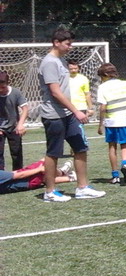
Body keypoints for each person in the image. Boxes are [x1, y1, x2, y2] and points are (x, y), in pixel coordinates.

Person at [37, 28, 105, 201]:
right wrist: (77, 111)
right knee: (54, 152)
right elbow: (55, 92)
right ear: (56, 42)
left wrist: (73, 111)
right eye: (68, 44)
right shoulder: (49, 62)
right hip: (54, 115)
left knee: (80, 147)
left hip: (68, 114)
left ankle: (82, 188)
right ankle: (50, 192)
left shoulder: (61, 60)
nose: (70, 47)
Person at [96, 63, 126, 186]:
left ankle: (115, 175)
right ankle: (125, 163)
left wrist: (100, 124)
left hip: (111, 120)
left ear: (105, 75)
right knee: (125, 145)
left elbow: (103, 107)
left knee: (112, 147)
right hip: (125, 119)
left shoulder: (102, 87)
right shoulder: (125, 84)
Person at [0, 71, 29, 171]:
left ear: (7, 83)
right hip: (0, 128)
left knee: (16, 153)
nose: (1, 90)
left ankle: (18, 175)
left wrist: (20, 124)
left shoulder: (15, 92)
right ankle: (1, 176)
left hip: (13, 127)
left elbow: (25, 108)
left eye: (3, 87)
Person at [0, 158, 75, 195]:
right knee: (45, 162)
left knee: (44, 177)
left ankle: (71, 177)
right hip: (29, 181)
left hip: (28, 182)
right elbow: (19, 175)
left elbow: (13, 174)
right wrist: (39, 169)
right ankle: (62, 173)